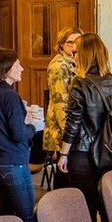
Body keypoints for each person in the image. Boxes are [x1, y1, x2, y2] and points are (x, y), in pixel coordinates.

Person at [57, 33, 112, 222]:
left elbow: (73, 123)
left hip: (84, 153)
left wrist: (63, 154)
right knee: (109, 202)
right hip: (111, 151)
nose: (73, 55)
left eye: (76, 51)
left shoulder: (81, 83)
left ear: (86, 55)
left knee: (87, 207)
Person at [0, 48, 39, 222]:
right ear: (6, 69)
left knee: (5, 215)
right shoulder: (10, 96)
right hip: (13, 163)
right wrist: (33, 127)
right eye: (17, 65)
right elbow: (18, 134)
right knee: (26, 218)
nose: (22, 68)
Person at [42, 26, 82, 165]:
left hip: (72, 126)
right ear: (61, 44)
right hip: (62, 128)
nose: (74, 45)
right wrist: (69, 134)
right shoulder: (59, 66)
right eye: (70, 42)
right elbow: (60, 102)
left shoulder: (74, 62)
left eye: (77, 41)